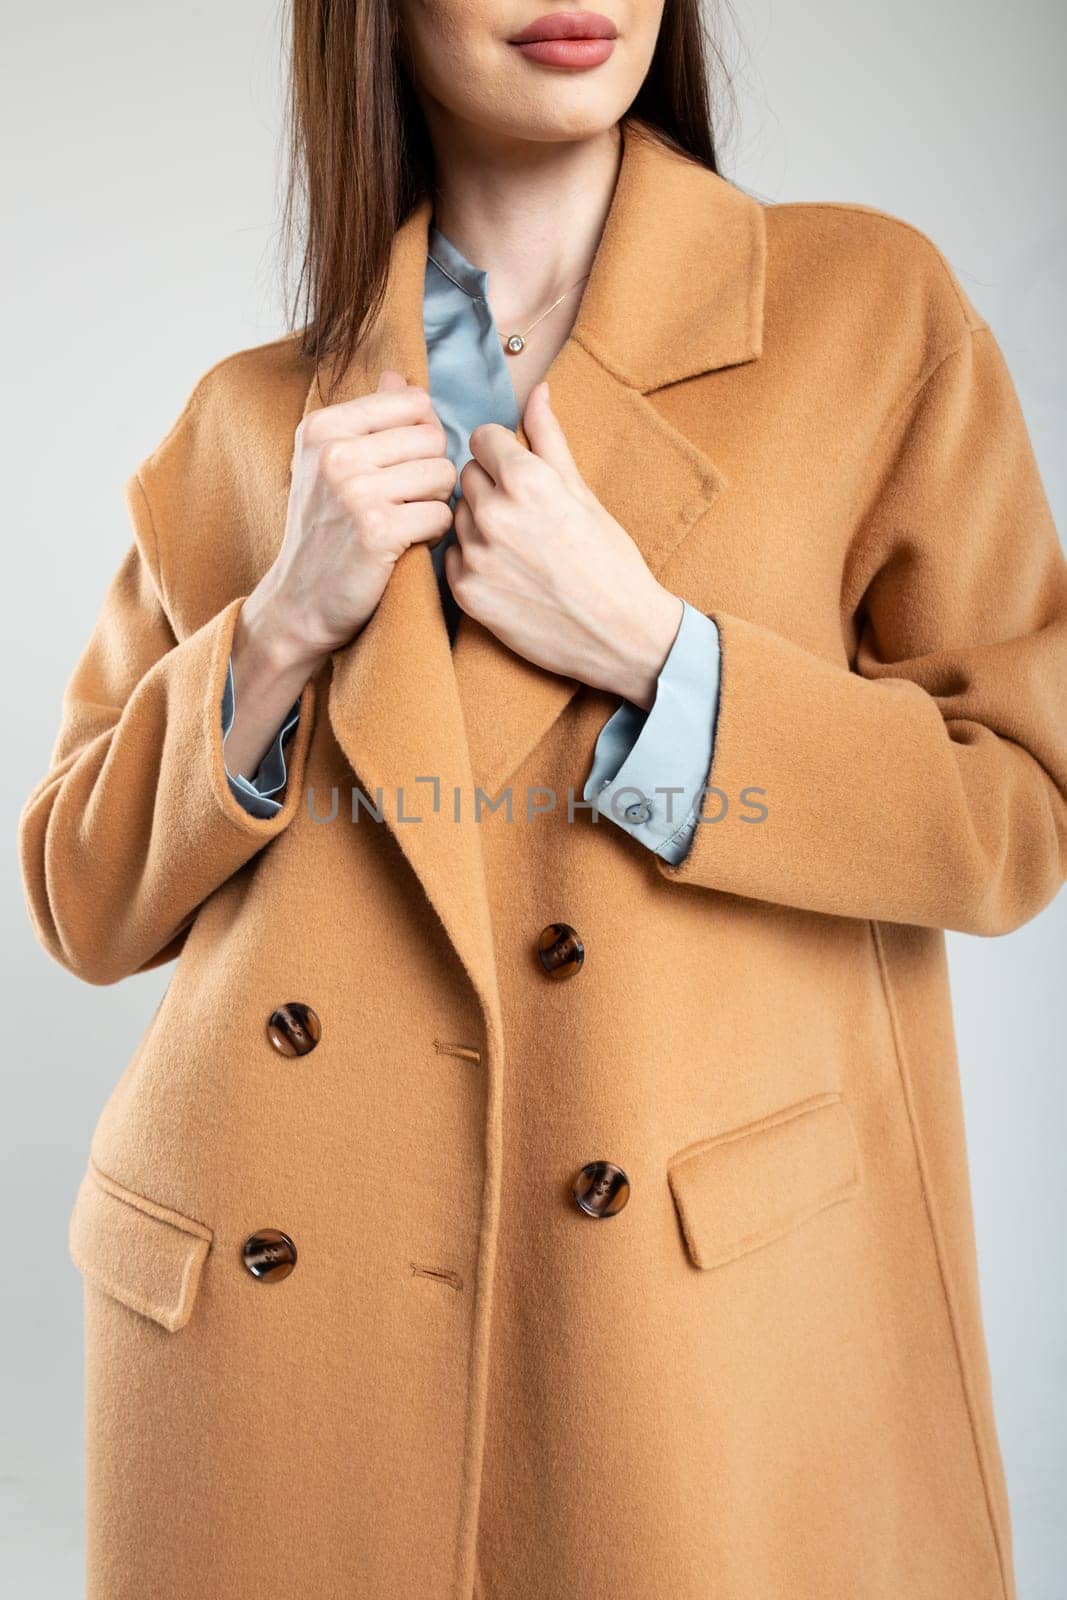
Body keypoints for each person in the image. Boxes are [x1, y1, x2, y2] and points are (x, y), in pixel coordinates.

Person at [18, 3, 1067, 1598]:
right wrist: (278, 628)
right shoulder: (254, 419)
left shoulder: (866, 313)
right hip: (290, 1330)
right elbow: (78, 899)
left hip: (687, 1339)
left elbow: (1022, 807)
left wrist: (661, 654)